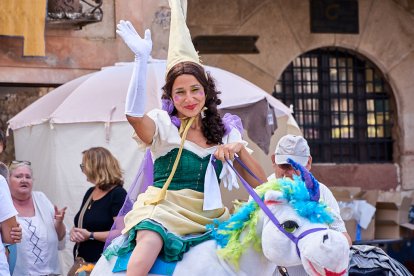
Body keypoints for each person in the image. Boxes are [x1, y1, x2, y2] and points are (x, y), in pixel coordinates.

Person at [102, 1, 267, 275]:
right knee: (148, 246)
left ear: (206, 92)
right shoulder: (163, 125)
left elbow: (260, 183)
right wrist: (141, 61)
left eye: (195, 90)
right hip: (164, 212)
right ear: (171, 96)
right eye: (180, 92)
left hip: (211, 217)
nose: (189, 99)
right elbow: (133, 115)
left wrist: (238, 149)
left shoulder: (225, 131)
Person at [270, 134, 352, 275]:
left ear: (308, 163)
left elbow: (344, 239)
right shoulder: (262, 192)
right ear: (274, 161)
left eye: (296, 166)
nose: (290, 172)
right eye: (284, 165)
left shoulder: (322, 192)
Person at [8, 160, 66, 275]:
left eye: (28, 177)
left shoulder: (41, 198)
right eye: (18, 176)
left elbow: (61, 239)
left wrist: (59, 222)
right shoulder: (4, 204)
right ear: (8, 180)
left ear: (32, 181)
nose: (24, 180)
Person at [70, 147, 127, 264]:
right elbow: (85, 223)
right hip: (83, 262)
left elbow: (123, 232)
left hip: (104, 264)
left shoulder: (118, 194)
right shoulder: (90, 192)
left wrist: (91, 235)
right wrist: (74, 232)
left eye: (83, 166)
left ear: (94, 167)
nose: (82, 170)